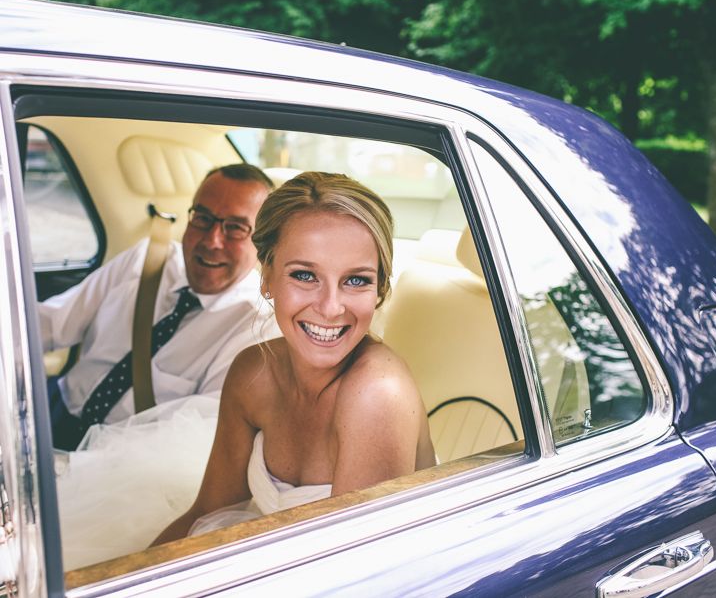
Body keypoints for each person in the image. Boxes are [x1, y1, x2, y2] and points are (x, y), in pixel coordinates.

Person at [153, 171, 436, 545]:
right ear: (267, 277)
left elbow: (357, 570)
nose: (331, 308)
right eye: (305, 275)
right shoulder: (252, 373)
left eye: (356, 280)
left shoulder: (378, 395)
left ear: (380, 288)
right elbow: (208, 513)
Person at [42, 163, 280, 451]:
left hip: (122, 460)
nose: (212, 240)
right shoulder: (145, 260)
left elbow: (188, 438)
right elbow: (51, 323)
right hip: (52, 406)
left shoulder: (255, 327)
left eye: (236, 228)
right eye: (203, 218)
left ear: (262, 243)